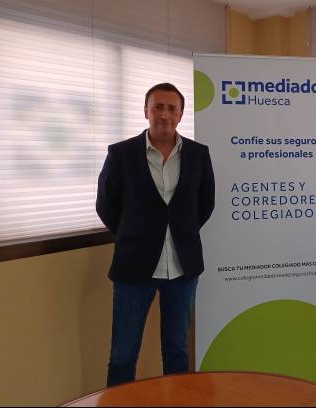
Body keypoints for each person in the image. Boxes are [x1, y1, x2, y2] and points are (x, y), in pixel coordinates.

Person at [96, 82, 215, 387]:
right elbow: (106, 205)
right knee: (123, 356)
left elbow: (206, 203)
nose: (164, 114)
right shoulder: (121, 154)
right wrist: (133, 235)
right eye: (158, 107)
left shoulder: (198, 154)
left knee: (177, 352)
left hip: (182, 269)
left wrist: (181, 232)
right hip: (133, 268)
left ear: (181, 114)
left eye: (171, 108)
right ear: (146, 111)